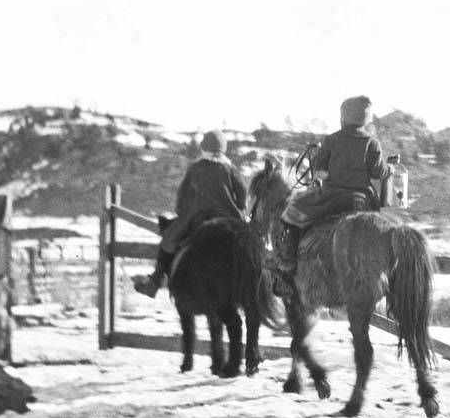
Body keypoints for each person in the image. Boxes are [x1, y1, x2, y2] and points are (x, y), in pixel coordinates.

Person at [274, 95, 394, 286]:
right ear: (366, 118)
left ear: (344, 117)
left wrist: (316, 161)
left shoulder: (330, 140)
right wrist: (391, 168)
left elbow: (321, 174)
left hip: (330, 199)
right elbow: (378, 172)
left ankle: (288, 260)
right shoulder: (372, 142)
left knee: (290, 215)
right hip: (361, 202)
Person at [134, 129, 246, 298]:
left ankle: (155, 281)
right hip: (228, 219)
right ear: (223, 149)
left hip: (197, 217)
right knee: (250, 245)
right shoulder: (231, 169)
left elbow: (181, 197)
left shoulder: (195, 168)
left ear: (204, 148)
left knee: (168, 239)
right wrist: (236, 209)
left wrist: (182, 213)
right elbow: (242, 196)